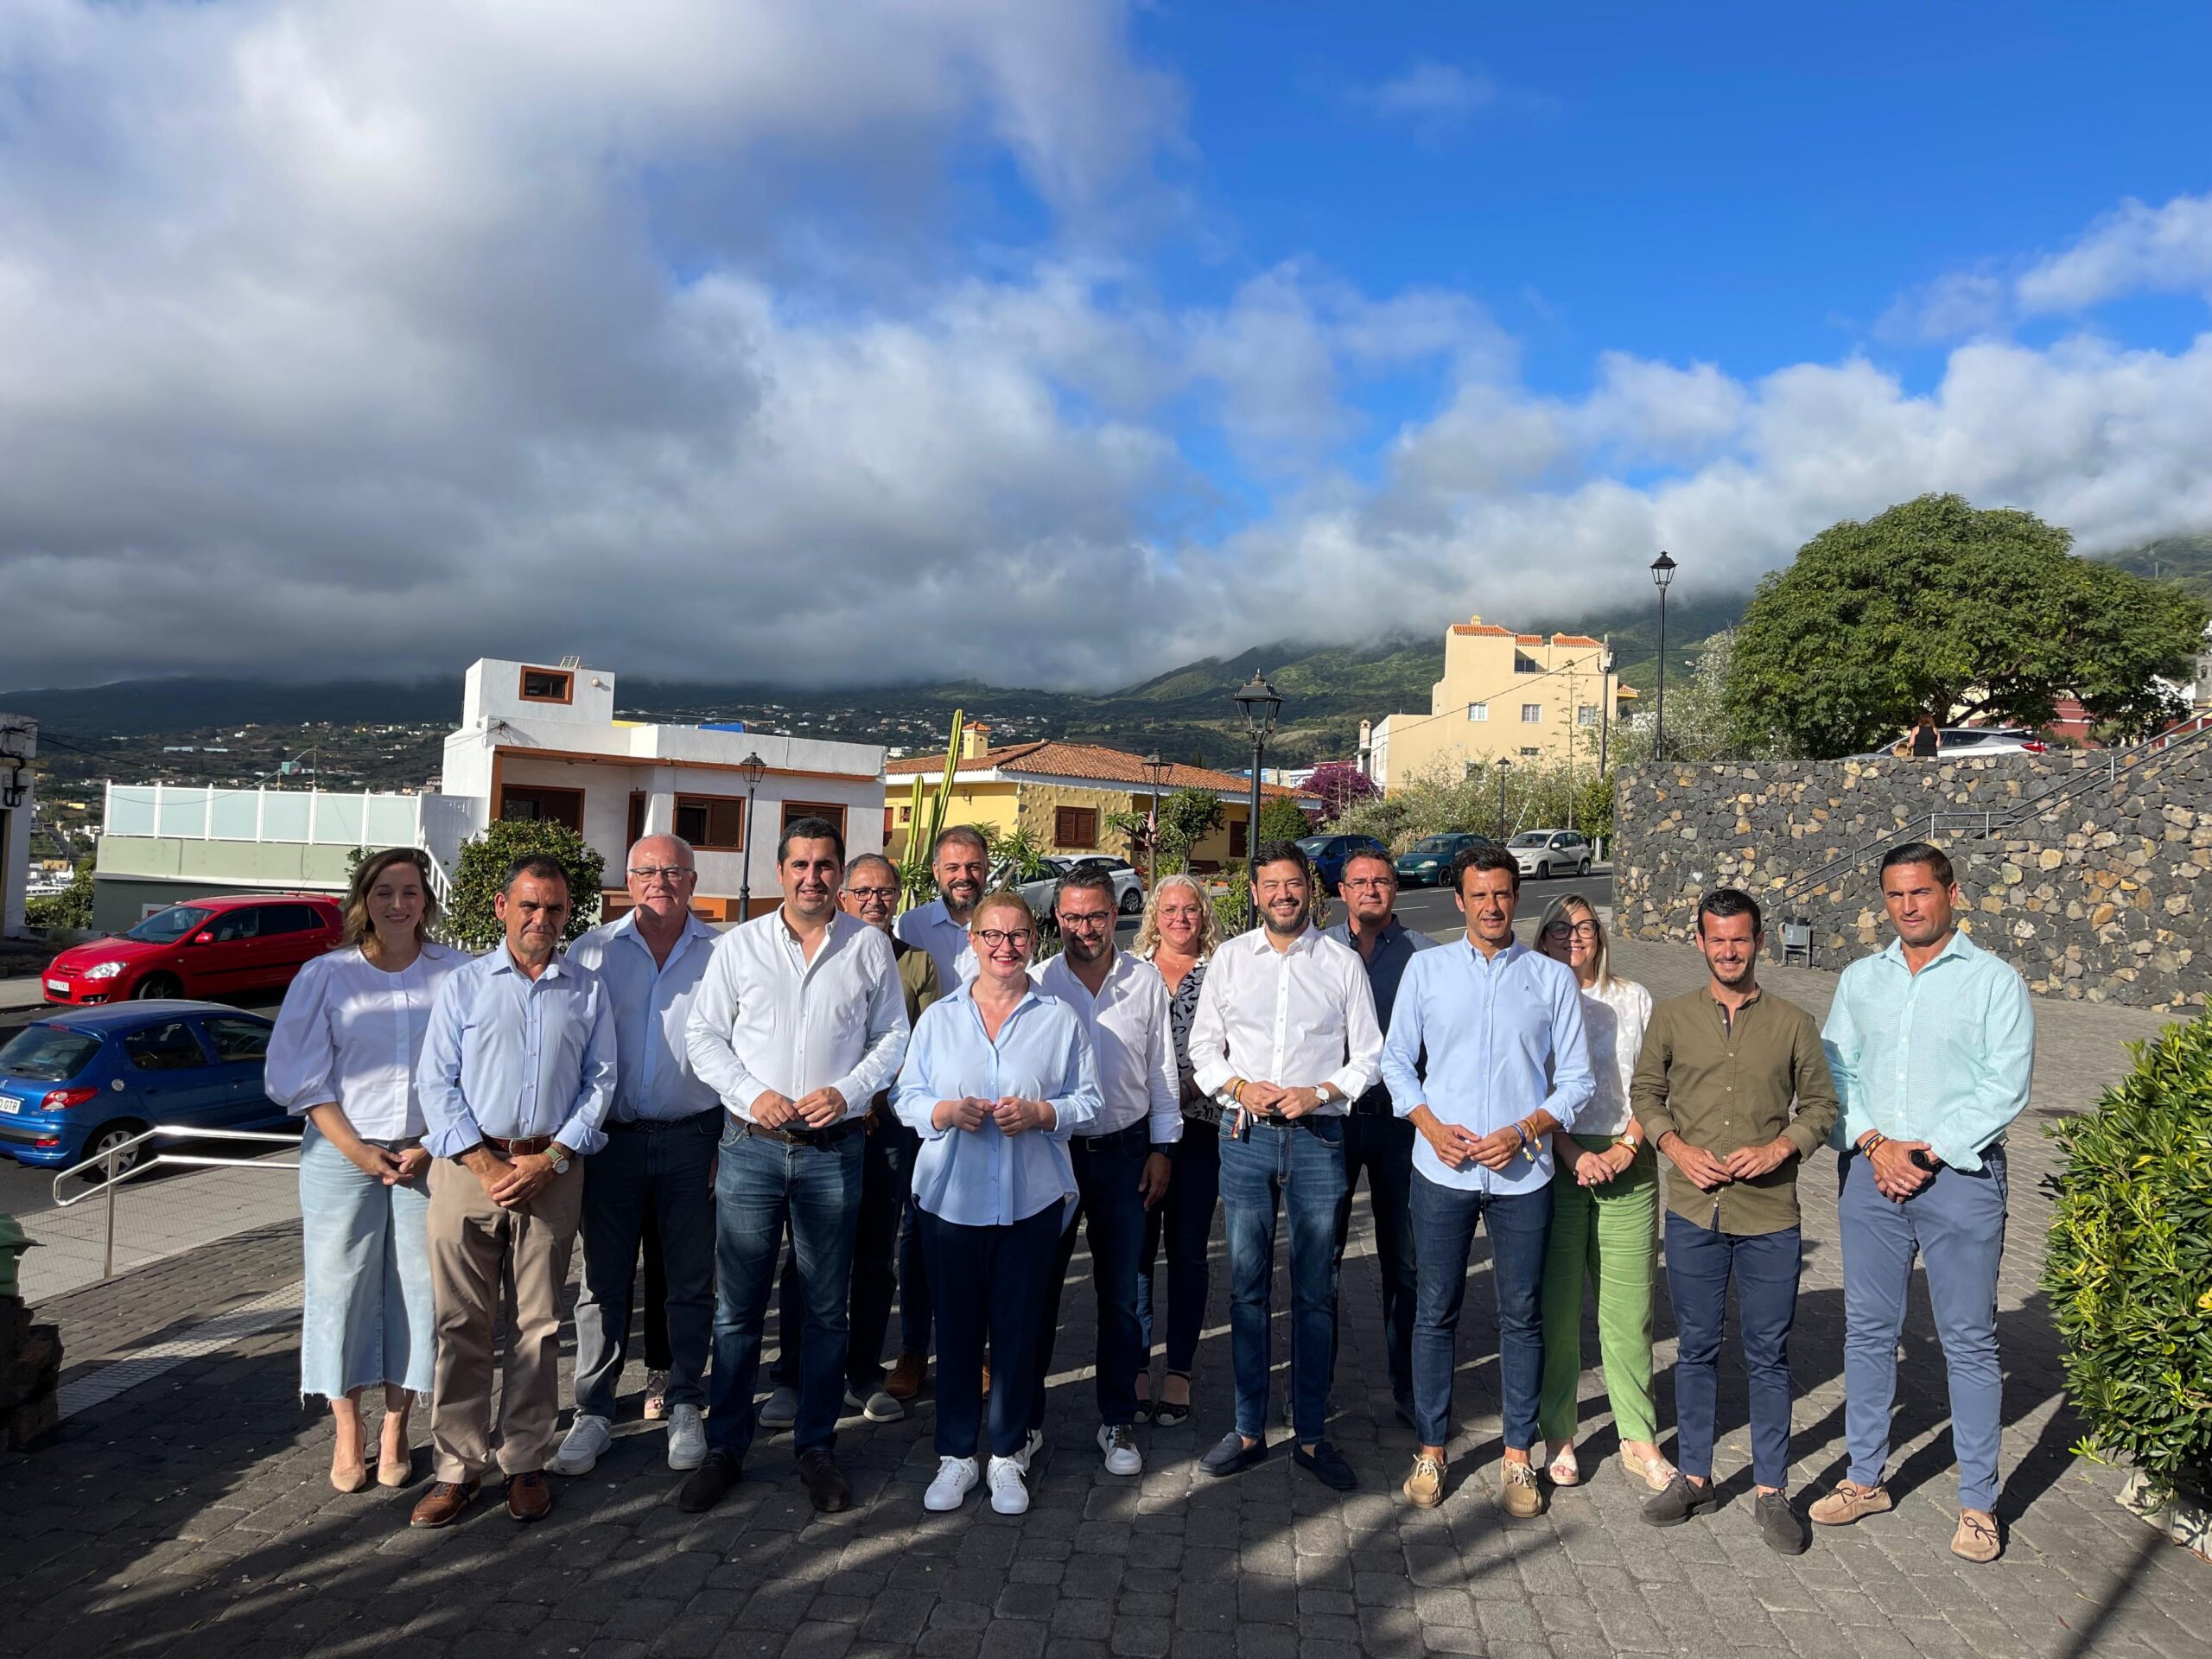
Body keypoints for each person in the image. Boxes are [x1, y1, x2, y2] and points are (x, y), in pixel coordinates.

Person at [1810, 843, 2033, 1565]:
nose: (1908, 907)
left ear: (1952, 894)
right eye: (1895, 895)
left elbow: (2004, 1086)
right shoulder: (1860, 979)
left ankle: (1978, 1503)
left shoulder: (1994, 983)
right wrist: (1876, 1145)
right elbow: (1836, 1074)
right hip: (1871, 1175)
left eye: (1921, 892)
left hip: (1960, 1178)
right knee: (1869, 1332)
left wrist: (1926, 1153)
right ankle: (1865, 1478)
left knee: (1968, 1340)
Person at [678, 817, 908, 1515]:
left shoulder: (868, 946)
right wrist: (753, 1094)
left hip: (835, 1149)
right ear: (780, 872)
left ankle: (816, 1448)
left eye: (825, 865)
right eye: (800, 865)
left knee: (826, 1308)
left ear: (840, 874)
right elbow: (703, 1036)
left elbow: (892, 1036)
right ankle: (726, 1447)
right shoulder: (739, 946)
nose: (813, 877)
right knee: (738, 1309)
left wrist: (850, 1092)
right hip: (751, 1147)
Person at [1382, 845, 1592, 1516]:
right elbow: (1396, 1061)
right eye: (1479, 895)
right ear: (1460, 901)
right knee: (1434, 1310)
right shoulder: (1427, 969)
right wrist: (1427, 1124)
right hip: (1440, 1169)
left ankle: (1518, 1456)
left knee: (1522, 1316)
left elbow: (1577, 1081)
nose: (1491, 906)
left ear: (1516, 897)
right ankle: (1431, 1450)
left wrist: (1526, 1130)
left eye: (1502, 894)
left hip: (1522, 1174)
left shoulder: (1551, 978)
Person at [410, 856, 616, 1528]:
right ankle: (456, 1468)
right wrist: (481, 1162)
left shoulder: (586, 989)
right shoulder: (465, 985)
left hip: (551, 1171)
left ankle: (525, 1459)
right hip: (468, 1172)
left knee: (538, 1325)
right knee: (461, 1324)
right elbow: (436, 1082)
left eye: (553, 908)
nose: (541, 919)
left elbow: (601, 1082)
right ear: (503, 907)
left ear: (568, 914)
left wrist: (553, 1157)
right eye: (529, 905)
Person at [1632, 887, 1839, 1555]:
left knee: (1768, 1353)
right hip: (1694, 1210)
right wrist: (1675, 1147)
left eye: (1740, 938)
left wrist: (1782, 1148)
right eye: (1717, 939)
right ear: (1700, 941)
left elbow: (1821, 1107)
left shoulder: (1794, 1023)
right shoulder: (1671, 1018)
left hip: (1770, 1214)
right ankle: (1695, 1476)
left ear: (1759, 942)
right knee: (1695, 1347)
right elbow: (1646, 1094)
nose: (1728, 950)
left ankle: (1771, 1490)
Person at [893, 888, 1101, 1516]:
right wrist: (943, 1112)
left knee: (1018, 1332)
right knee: (956, 1331)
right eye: (993, 935)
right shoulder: (940, 1019)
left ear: (1033, 942)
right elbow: (905, 1097)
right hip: (950, 1201)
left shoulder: (1059, 1018)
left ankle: (1009, 1454)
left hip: (1029, 1200)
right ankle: (957, 1455)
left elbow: (1089, 1100)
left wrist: (1042, 1113)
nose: (1005, 947)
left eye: (1017, 936)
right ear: (972, 942)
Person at [268, 847, 464, 1494]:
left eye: (410, 892)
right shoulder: (325, 976)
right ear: (363, 901)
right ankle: (347, 1427)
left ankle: (397, 1427)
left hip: (429, 1153)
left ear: (426, 901)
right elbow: (300, 1075)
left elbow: (471, 1069)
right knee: (340, 1287)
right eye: (384, 892)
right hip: (340, 1152)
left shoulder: (457, 974)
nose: (397, 904)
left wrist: (431, 1144)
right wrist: (356, 1150)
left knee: (419, 1289)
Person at [1189, 841, 1382, 1492]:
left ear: (1310, 890)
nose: (1283, 895)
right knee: (1246, 1287)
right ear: (1254, 893)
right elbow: (1203, 1048)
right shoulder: (1229, 960)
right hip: (1244, 1139)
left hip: (1319, 1141)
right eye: (1271, 885)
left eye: (1293, 883)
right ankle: (1248, 1428)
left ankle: (1312, 1434)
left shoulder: (1341, 962)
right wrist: (1238, 1087)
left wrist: (1320, 1092)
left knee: (1314, 1291)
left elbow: (1369, 1056)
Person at [550, 836, 721, 1479]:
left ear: (692, 880)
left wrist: (727, 1138)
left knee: (690, 1281)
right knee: (602, 1283)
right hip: (611, 1140)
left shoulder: (722, 953)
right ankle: (593, 1410)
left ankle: (685, 1401)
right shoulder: (592, 951)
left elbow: (740, 1044)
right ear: (628, 880)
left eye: (673, 871)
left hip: (693, 1138)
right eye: (647, 871)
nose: (660, 881)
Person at [761, 854, 943, 1427]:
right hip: (819, 1126)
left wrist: (868, 1100)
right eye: (862, 891)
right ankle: (793, 1375)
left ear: (898, 897)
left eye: (884, 892)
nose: (873, 902)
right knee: (806, 1257)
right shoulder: (823, 952)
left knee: (873, 1255)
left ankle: (862, 1371)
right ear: (843, 896)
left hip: (883, 1125)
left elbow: (919, 1046)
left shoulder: (916, 963)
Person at [1027, 866, 1180, 1477]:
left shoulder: (1144, 981)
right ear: (1057, 918)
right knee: (1038, 1292)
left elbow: (1162, 1069)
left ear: (1116, 916)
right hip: (1052, 1154)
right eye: (1072, 916)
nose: (1083, 928)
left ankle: (1117, 1419)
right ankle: (1026, 1421)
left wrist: (1163, 1147)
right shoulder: (1038, 982)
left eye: (1095, 916)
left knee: (1121, 1295)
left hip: (1126, 1155)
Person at [1531, 893, 1673, 1492]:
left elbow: (1655, 1084)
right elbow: (1527, 1087)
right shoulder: (1531, 1000)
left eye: (1585, 926)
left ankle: (1638, 1436)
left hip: (1627, 1159)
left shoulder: (1634, 998)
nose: (1574, 937)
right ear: (1542, 938)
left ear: (1601, 935)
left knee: (1629, 1312)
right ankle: (1558, 1433)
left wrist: (1627, 1147)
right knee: (1559, 1310)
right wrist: (1570, 1151)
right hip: (1554, 1160)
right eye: (1560, 928)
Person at [1319, 847, 1435, 1431]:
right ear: (1342, 890)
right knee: (1322, 1258)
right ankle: (1314, 1391)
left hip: (1400, 1124)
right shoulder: (1317, 951)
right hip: (1331, 1120)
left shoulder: (1426, 955)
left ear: (1395, 888)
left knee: (1405, 1261)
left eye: (1382, 881)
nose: (1371, 889)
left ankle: (1410, 1389)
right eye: (1359, 881)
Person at [885, 823, 990, 1402]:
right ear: (935, 873)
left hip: (988, 1102)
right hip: (925, 1100)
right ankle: (912, 1349)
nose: (963, 877)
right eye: (953, 867)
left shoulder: (1002, 919)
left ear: (986, 867)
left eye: (972, 866)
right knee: (917, 1228)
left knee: (984, 1228)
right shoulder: (912, 927)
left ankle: (974, 1350)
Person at [1134, 874, 1225, 1427]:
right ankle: (1137, 1365)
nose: (1180, 919)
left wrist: (1184, 1092)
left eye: (1190, 909)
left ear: (1203, 915)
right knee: (1138, 1252)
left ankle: (1180, 1370)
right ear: (1154, 915)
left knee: (1188, 1251)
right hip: (1137, 1131)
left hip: (1199, 1129)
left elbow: (1234, 1045)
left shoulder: (1221, 973)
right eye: (1169, 909)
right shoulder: (1132, 970)